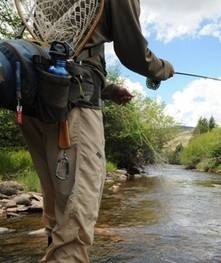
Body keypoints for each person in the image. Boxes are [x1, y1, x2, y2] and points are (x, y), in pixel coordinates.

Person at [19, 0, 175, 262]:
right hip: (73, 107)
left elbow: (58, 52)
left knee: (59, 213)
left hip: (36, 102)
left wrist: (108, 89)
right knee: (74, 227)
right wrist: (163, 70)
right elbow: (134, 52)